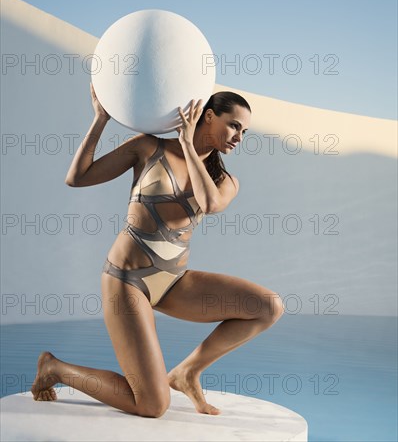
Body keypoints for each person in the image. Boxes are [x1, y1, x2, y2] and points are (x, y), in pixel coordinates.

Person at [31, 83, 284, 418]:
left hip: (173, 282)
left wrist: (189, 149)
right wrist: (100, 119)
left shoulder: (226, 181)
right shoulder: (148, 147)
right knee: (152, 404)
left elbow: (209, 203)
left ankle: (187, 372)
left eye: (245, 131)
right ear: (208, 116)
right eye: (234, 125)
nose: (239, 136)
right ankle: (56, 368)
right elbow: (77, 177)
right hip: (127, 281)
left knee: (268, 307)